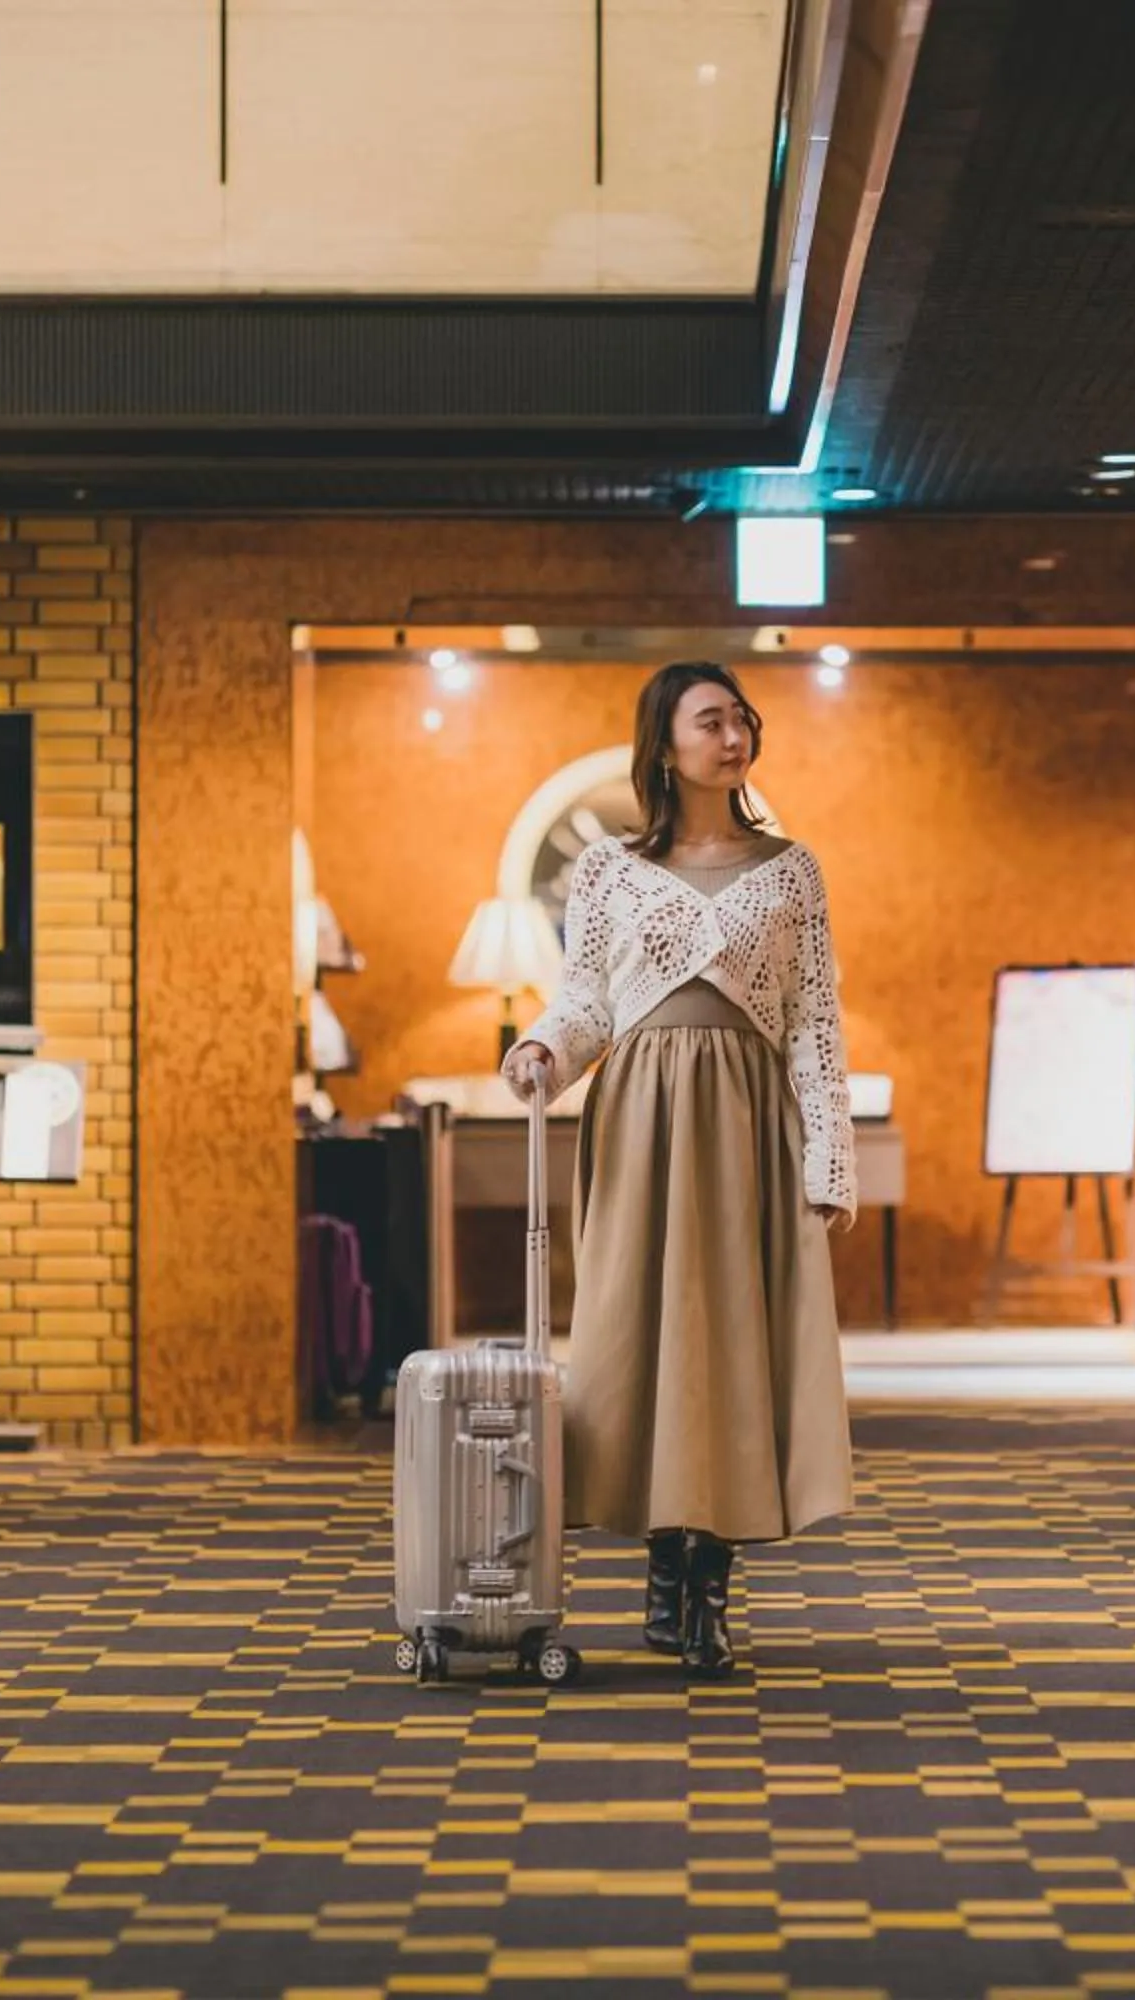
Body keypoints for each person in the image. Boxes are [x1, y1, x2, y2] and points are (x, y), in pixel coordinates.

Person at [501, 661, 856, 1676]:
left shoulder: (792, 869)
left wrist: (827, 1153)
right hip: (643, 1120)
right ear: (665, 744)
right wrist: (543, 1054)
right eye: (713, 719)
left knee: (740, 1343)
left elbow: (814, 1020)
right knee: (642, 1336)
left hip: (749, 1123)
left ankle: (711, 1581)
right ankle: (664, 1568)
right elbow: (585, 1006)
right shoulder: (611, 870)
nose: (735, 732)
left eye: (743, 716)